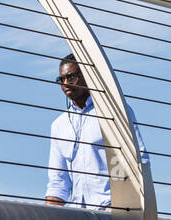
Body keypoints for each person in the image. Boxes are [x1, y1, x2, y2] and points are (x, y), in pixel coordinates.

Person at [45, 54, 147, 209]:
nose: (65, 84)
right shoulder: (59, 125)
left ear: (87, 75)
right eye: (61, 80)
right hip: (81, 217)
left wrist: (131, 207)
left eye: (71, 77)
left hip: (115, 209)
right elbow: (58, 180)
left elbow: (139, 159)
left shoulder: (114, 112)